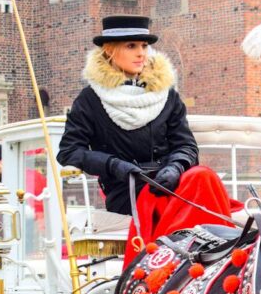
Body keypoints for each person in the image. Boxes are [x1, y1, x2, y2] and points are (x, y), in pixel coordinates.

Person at [57, 15, 233, 265]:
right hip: (127, 186)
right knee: (197, 184)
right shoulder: (90, 99)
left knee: (202, 176)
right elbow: (69, 151)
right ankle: (173, 262)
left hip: (169, 179)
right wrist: (113, 165)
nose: (141, 53)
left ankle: (209, 257)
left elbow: (185, 145)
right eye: (131, 46)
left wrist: (176, 166)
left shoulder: (166, 96)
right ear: (110, 52)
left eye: (144, 46)